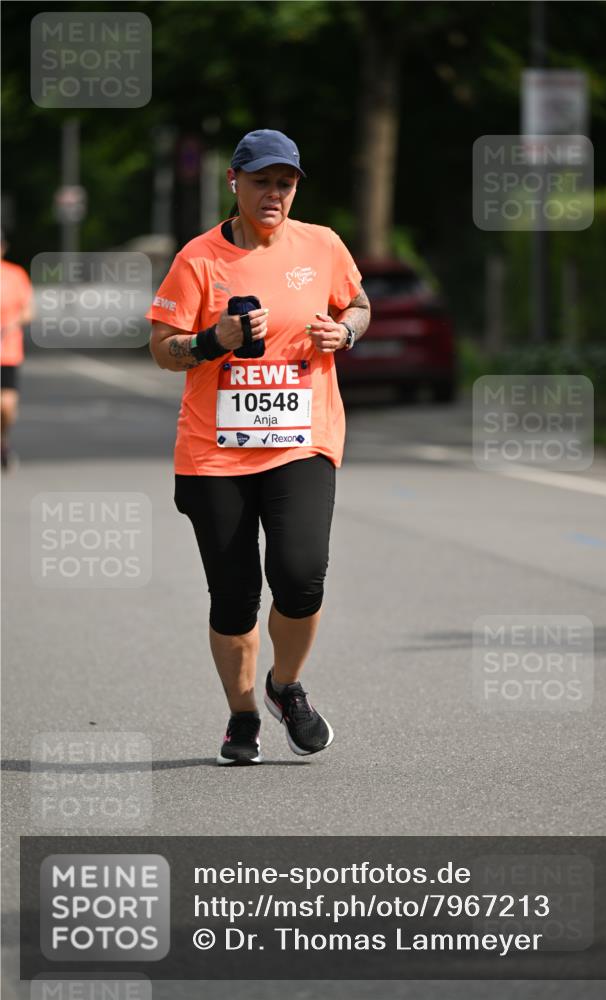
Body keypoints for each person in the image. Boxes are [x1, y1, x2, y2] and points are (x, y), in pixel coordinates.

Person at [147, 129, 371, 765]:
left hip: (302, 443)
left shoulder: (322, 245)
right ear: (234, 182)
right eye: (262, 181)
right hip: (214, 454)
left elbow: (358, 303)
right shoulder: (199, 258)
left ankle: (285, 685)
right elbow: (163, 350)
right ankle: (242, 714)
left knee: (301, 576)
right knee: (235, 594)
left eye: (286, 182)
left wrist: (345, 332)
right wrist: (211, 340)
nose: (274, 194)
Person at [1, 231, 33, 471]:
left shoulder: (15, 274)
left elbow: (28, 311)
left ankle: (3, 441)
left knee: (7, 406)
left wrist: (12, 324)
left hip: (8, 351)